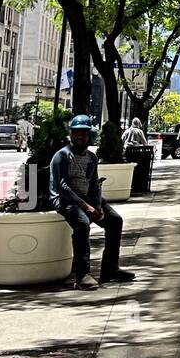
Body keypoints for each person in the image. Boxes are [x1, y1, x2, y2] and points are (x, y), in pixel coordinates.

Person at [50, 114, 136, 289]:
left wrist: (97, 205)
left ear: (90, 136)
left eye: (83, 133)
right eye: (76, 133)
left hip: (86, 199)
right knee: (82, 224)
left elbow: (94, 184)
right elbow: (62, 186)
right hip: (65, 201)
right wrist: (85, 206)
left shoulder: (91, 158)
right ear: (71, 134)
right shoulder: (62, 156)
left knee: (114, 221)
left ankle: (110, 269)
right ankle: (82, 275)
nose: (79, 136)